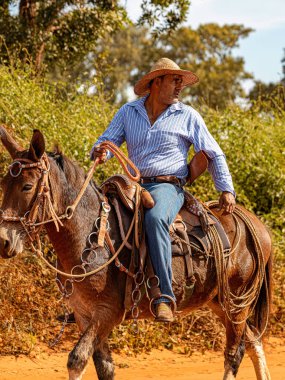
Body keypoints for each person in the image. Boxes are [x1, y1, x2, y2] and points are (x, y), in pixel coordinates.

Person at [91, 57, 236, 322]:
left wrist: (226, 189)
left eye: (181, 81)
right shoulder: (128, 112)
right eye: (175, 80)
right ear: (156, 82)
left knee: (156, 218)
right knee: (96, 214)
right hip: (132, 184)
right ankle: (89, 292)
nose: (180, 86)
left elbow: (214, 153)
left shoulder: (188, 115)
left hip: (168, 186)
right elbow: (107, 141)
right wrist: (100, 151)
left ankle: (164, 296)